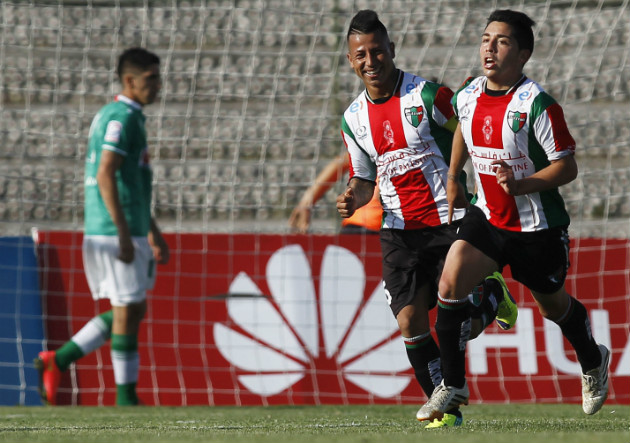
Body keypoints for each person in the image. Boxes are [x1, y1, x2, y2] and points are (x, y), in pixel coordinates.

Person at [416, 9, 610, 422]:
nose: (489, 47)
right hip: (487, 217)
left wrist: (521, 185)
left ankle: (593, 360)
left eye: (501, 41)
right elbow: (464, 134)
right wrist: (453, 175)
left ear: (522, 55)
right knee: (448, 284)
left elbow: (567, 166)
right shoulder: (468, 94)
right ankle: (451, 386)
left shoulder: (537, 105)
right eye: (486, 38)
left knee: (553, 307)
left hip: (537, 228)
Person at [335, 10, 518, 428]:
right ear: (350, 60)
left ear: (391, 50)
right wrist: (353, 196)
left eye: (377, 51)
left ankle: (492, 298)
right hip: (399, 230)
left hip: (450, 220)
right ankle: (445, 412)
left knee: (463, 328)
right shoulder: (353, 119)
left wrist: (462, 176)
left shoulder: (428, 96)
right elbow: (364, 177)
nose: (370, 60)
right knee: (409, 319)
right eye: (360, 54)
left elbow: (469, 129)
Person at [34, 47, 169, 406]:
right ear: (130, 81)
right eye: (151, 78)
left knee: (134, 309)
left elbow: (134, 183)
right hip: (114, 230)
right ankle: (126, 400)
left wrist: (152, 232)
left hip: (129, 227)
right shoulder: (120, 118)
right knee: (126, 311)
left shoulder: (127, 116)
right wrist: (124, 233)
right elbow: (105, 172)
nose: (159, 85)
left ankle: (58, 360)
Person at [289, 152, 382, 234]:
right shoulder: (380, 143)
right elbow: (342, 161)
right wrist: (306, 202)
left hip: (382, 228)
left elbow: (341, 162)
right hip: (362, 226)